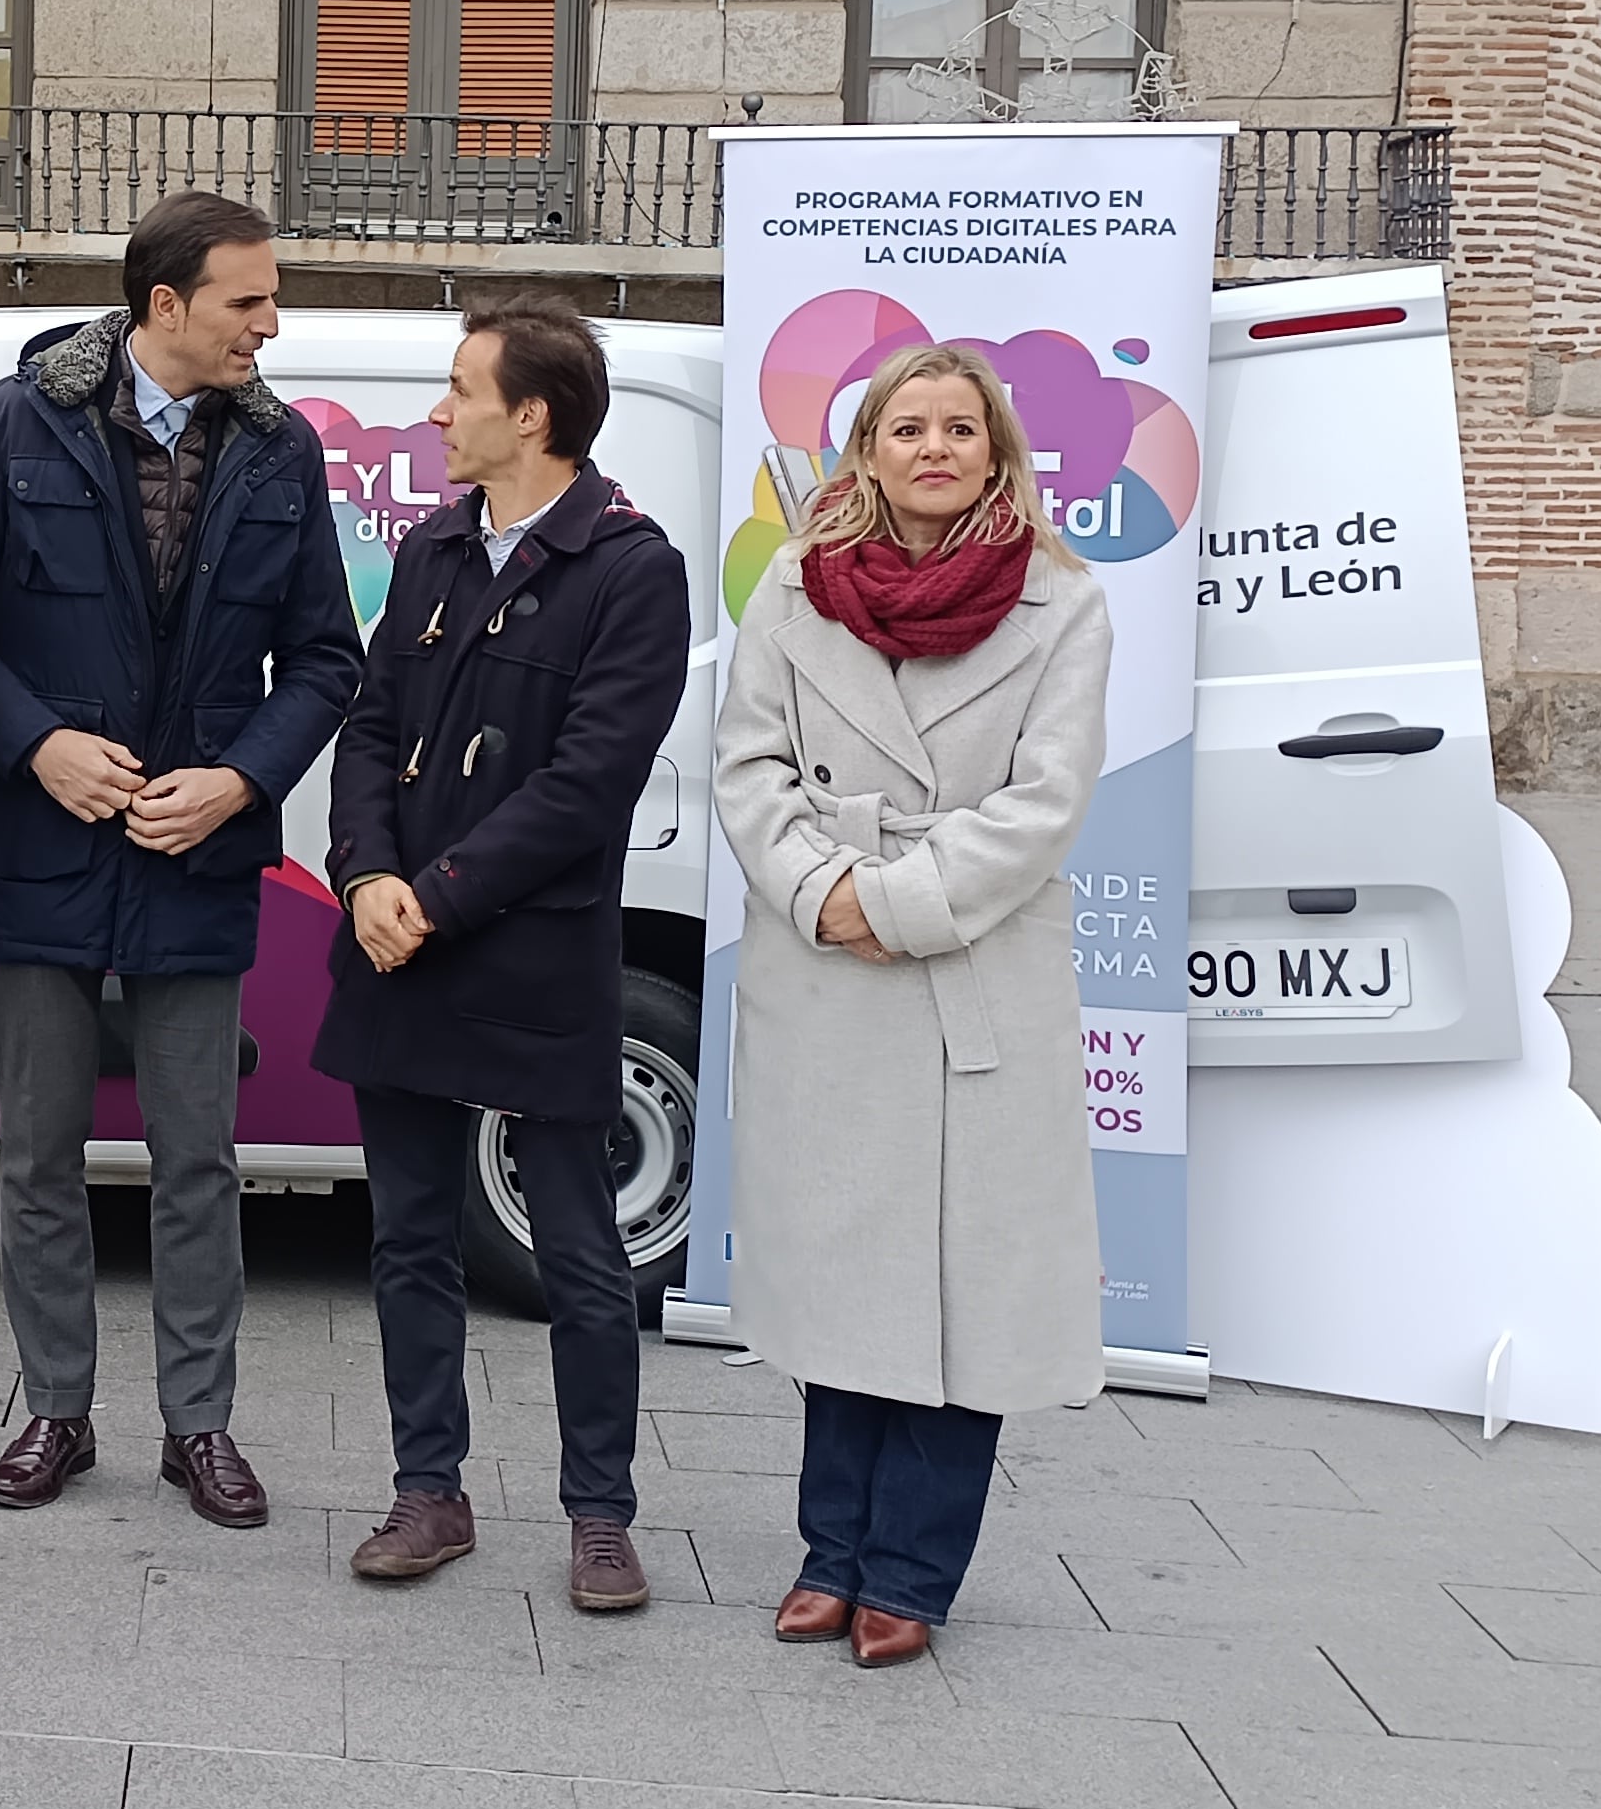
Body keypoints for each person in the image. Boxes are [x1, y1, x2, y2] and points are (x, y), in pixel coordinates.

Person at [0, 196, 365, 1529]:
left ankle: (200, 1426)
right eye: (248, 299)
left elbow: (326, 659)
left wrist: (241, 780)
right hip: (39, 849)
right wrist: (36, 745)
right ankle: (55, 1410)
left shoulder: (280, 452)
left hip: (196, 859)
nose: (270, 324)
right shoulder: (17, 424)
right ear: (165, 304)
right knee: (37, 1156)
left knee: (199, 1162)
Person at [711, 342, 1110, 1669]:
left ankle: (912, 1574)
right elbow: (750, 763)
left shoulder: (1063, 600)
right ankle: (830, 1553)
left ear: (997, 453)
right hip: (826, 970)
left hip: (969, 972)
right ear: (869, 453)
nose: (934, 448)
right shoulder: (796, 584)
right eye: (907, 428)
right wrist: (819, 890)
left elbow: (1045, 802)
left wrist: (894, 904)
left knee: (963, 1288)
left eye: (959, 428)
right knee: (843, 1274)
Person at [312, 295, 685, 1618]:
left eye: (461, 389)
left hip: (531, 953)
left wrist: (438, 896)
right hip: (400, 943)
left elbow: (589, 783)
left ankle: (601, 1515)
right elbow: (369, 728)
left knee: (579, 1248)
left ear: (531, 416)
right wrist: (365, 876)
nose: (438, 411)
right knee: (410, 1237)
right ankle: (430, 1491)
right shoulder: (431, 549)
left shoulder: (631, 568)